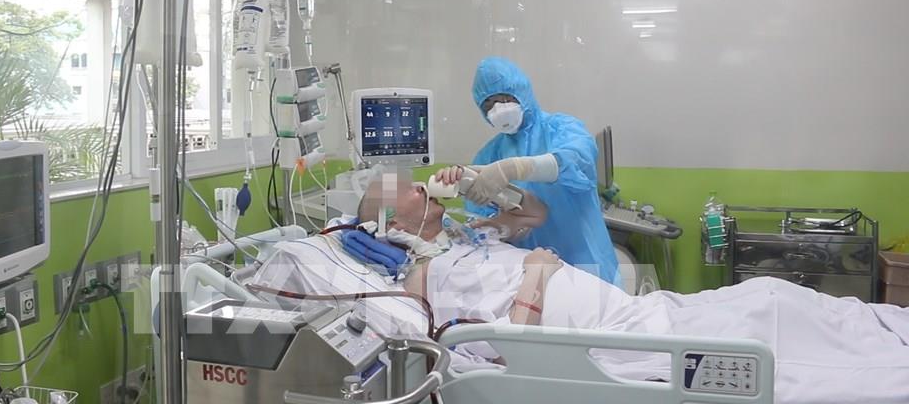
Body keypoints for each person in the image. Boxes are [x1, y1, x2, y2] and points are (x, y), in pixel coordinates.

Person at [251, 176, 909, 404]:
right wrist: (537, 273)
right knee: (766, 317)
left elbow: (532, 215)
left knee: (771, 294)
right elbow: (509, 342)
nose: (426, 189)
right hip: (618, 343)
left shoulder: (458, 238)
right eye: (414, 193)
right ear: (393, 223)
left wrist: (489, 188)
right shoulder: (426, 278)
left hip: (639, 314)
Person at [434, 56, 619, 286]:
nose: (498, 109)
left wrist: (515, 168)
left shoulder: (562, 128)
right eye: (488, 104)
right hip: (528, 270)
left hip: (582, 258)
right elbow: (485, 221)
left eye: (505, 98)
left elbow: (576, 160)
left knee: (590, 303)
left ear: (523, 92)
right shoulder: (488, 155)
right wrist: (465, 183)